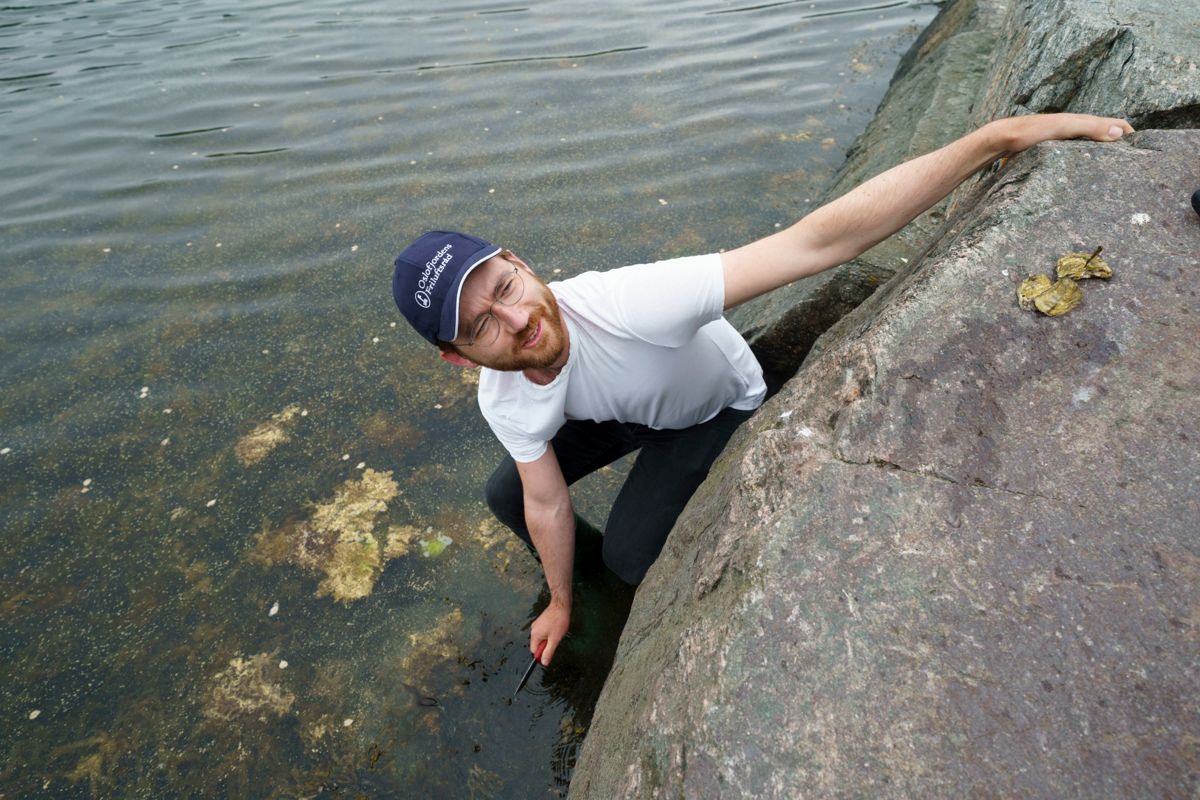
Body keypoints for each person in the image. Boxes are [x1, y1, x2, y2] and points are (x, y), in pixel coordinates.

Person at [391, 112, 1134, 667]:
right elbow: (547, 499)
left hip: (712, 407)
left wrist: (994, 140)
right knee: (507, 494)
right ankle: (579, 594)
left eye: (506, 285)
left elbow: (818, 242)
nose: (516, 318)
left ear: (518, 260)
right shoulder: (503, 394)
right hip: (620, 411)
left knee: (629, 556)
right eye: (481, 326)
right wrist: (557, 600)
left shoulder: (631, 303)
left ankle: (610, 585)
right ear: (460, 359)